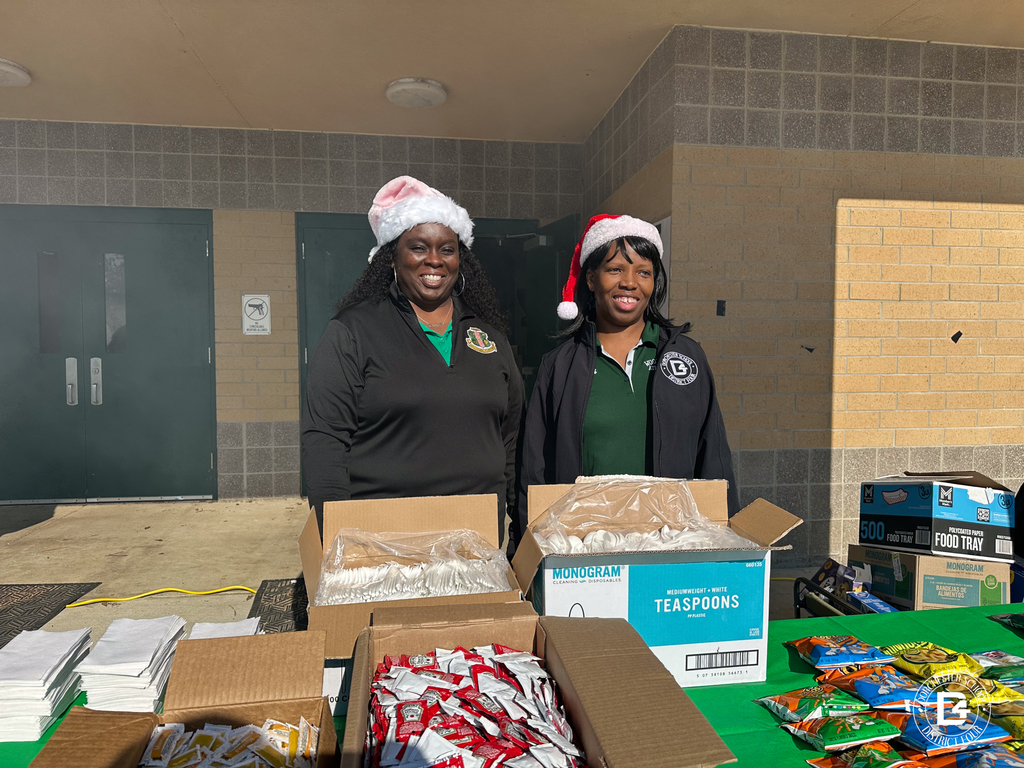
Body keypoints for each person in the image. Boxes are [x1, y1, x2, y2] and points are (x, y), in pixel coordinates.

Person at [301, 176, 524, 545]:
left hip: (477, 541)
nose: (434, 260)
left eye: (447, 249)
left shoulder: (490, 336)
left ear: (460, 259)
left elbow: (512, 439)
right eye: (418, 247)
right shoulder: (354, 331)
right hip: (384, 539)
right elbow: (325, 441)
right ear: (392, 258)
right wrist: (337, 541)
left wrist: (519, 527)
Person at [516, 213, 738, 536]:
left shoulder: (685, 359)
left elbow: (715, 460)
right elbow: (532, 473)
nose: (630, 283)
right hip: (586, 553)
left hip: (671, 548)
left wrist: (727, 545)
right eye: (615, 269)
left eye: (643, 272)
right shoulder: (559, 367)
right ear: (591, 279)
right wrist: (529, 556)